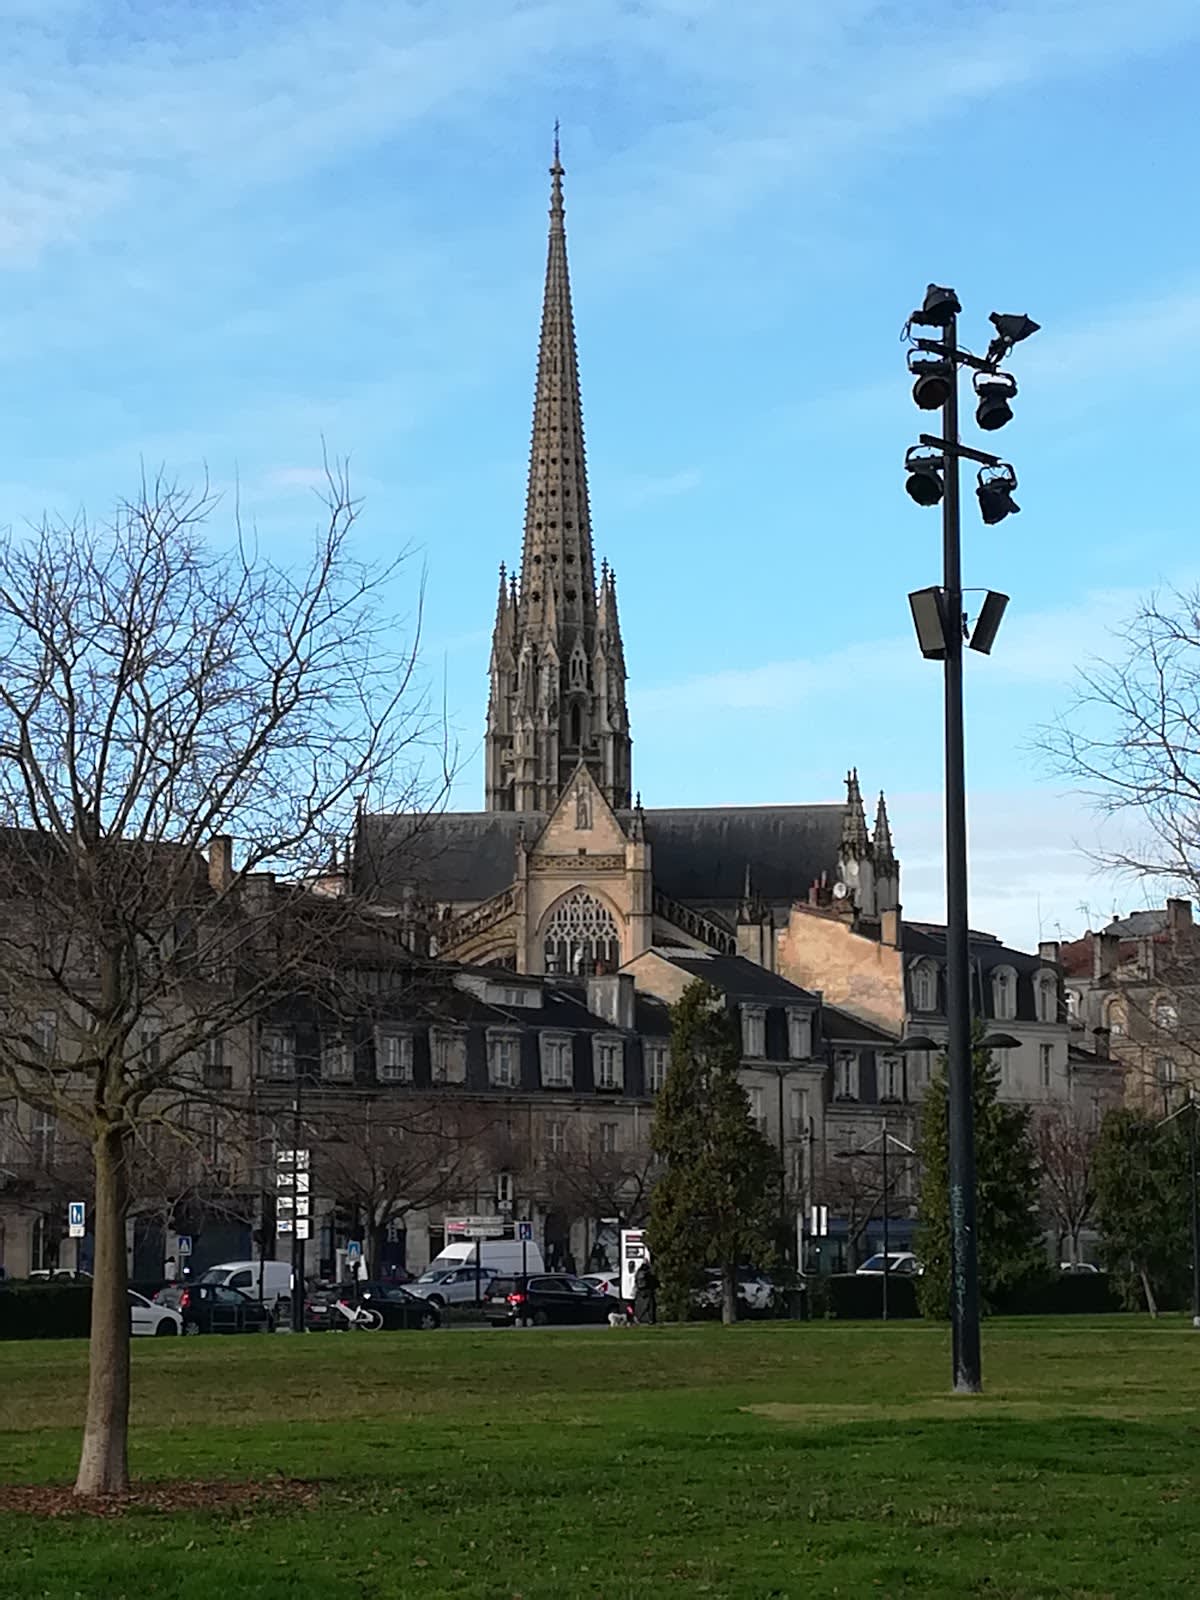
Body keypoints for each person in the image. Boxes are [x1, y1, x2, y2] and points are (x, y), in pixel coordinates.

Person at [633, 1260, 658, 1325]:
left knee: (642, 1305)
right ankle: (651, 1320)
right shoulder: (648, 1273)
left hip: (640, 1291)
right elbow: (652, 1281)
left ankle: (638, 1318)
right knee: (650, 1305)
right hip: (647, 1290)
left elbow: (636, 1281)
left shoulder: (638, 1272)